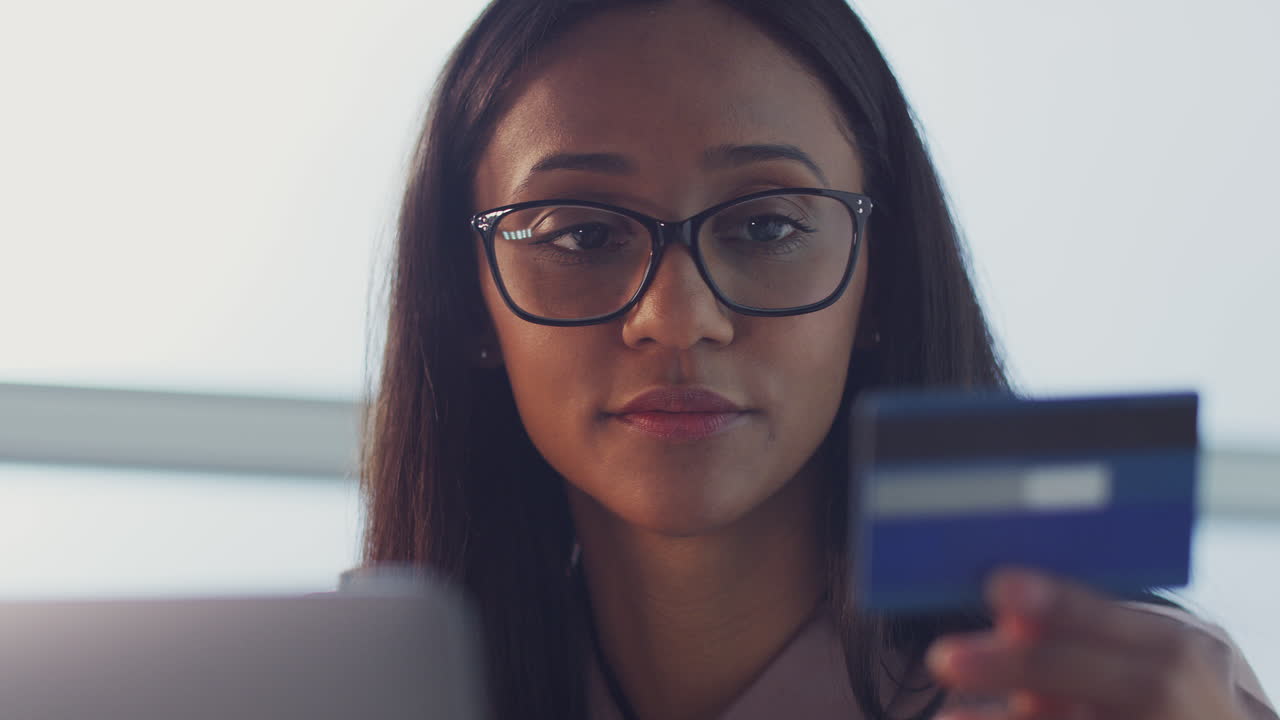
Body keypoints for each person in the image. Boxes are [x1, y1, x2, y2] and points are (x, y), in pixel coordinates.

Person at [355, 1, 1277, 718]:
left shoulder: (1122, 694)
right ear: (464, 296)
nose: (678, 320)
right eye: (581, 233)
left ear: (878, 278)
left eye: (767, 225)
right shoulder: (350, 686)